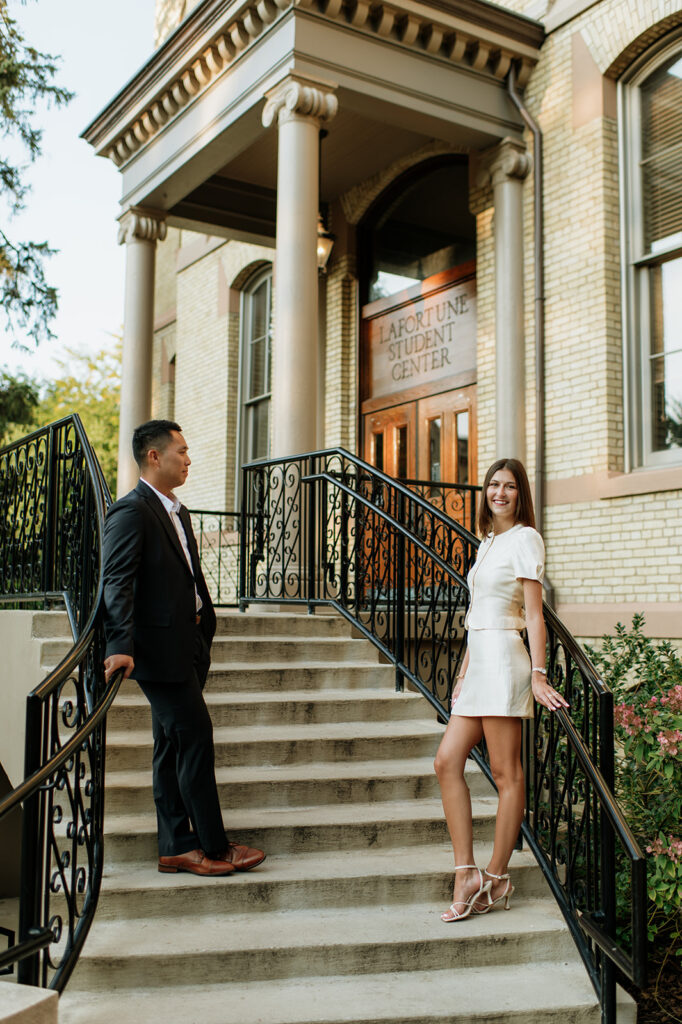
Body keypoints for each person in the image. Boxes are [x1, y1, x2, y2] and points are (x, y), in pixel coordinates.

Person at [102, 420, 265, 877]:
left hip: (189, 643)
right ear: (154, 457)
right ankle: (213, 847)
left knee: (169, 747)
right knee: (195, 738)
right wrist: (120, 643)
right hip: (157, 652)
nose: (189, 459)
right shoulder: (131, 511)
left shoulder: (178, 510)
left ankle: (175, 844)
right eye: (182, 451)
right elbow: (116, 580)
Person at [434, 457, 567, 921]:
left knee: (506, 772)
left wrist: (538, 672)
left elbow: (533, 613)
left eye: (510, 486)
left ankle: (495, 875)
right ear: (485, 491)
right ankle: (465, 870)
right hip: (479, 662)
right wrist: (464, 668)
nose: (500, 493)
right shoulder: (487, 541)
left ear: (520, 494)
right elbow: (478, 613)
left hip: (507, 661)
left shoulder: (525, 538)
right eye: (494, 484)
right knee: (446, 760)